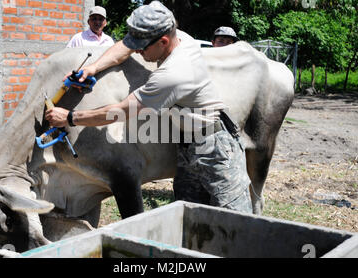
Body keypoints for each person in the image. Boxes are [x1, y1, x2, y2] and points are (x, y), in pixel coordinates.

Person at [46, 1, 252, 213]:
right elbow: (124, 46)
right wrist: (93, 67)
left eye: (141, 47)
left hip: (215, 148)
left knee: (238, 221)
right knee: (191, 218)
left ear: (162, 41)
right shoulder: (178, 36)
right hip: (186, 146)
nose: (136, 50)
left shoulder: (174, 73)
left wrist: (70, 117)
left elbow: (121, 111)